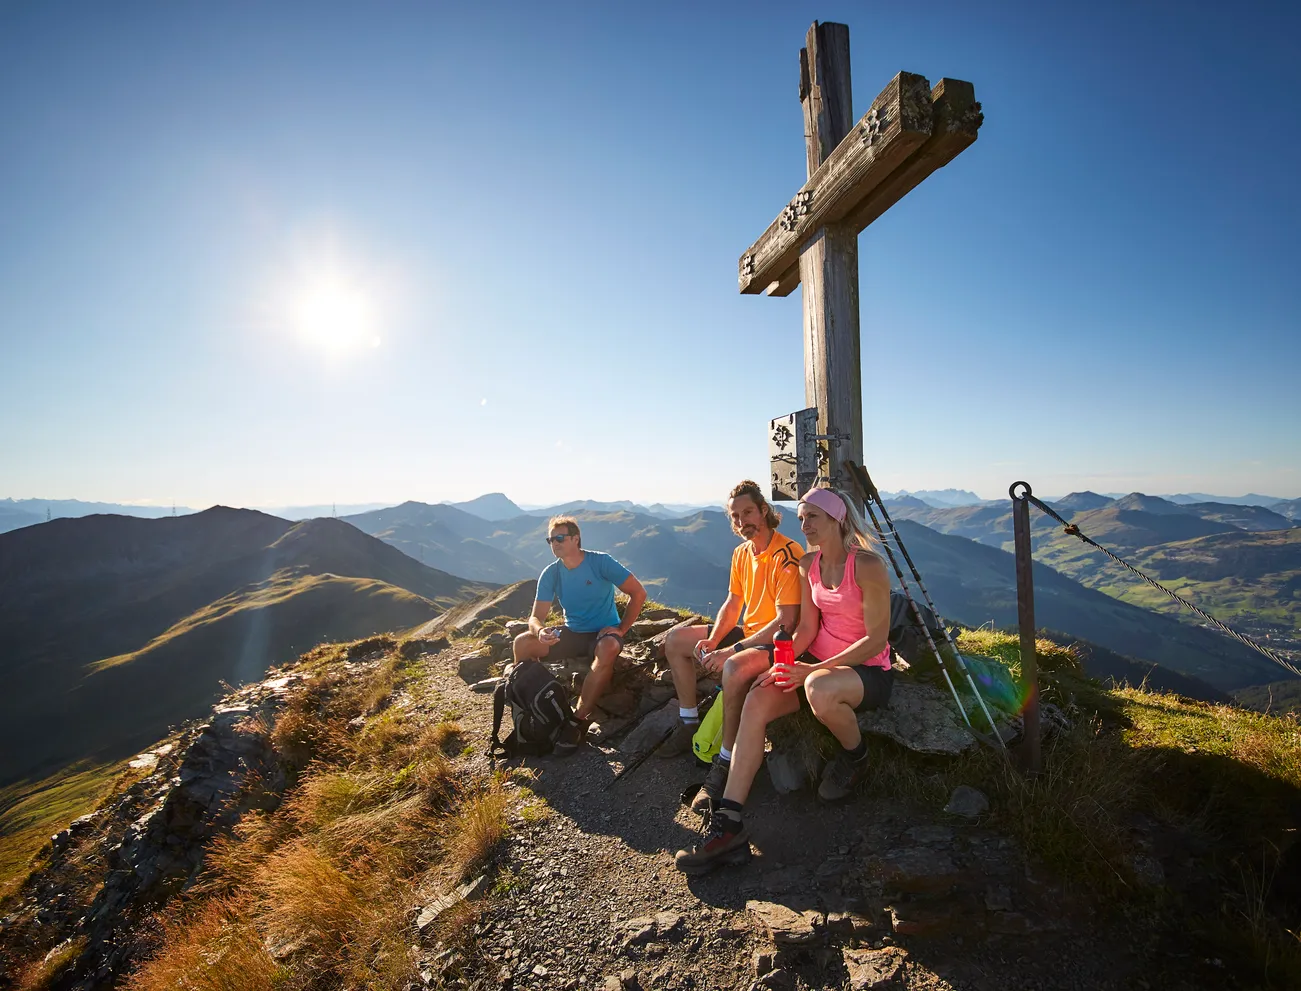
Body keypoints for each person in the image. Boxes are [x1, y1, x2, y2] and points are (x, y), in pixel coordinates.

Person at [674, 486, 894, 874]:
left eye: (813, 517)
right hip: (817, 664)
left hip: (866, 671)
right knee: (758, 699)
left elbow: (875, 639)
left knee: (817, 689)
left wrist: (813, 670)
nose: (804, 524)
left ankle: (856, 758)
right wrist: (786, 662)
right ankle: (729, 826)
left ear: (837, 519)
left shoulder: (868, 566)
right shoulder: (810, 564)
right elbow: (807, 629)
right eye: (802, 517)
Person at [658, 481, 804, 800]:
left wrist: (732, 649)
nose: (742, 521)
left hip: (779, 642)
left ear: (764, 510)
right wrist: (714, 639)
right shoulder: (741, 553)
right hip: (751, 632)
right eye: (735, 516)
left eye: (748, 512)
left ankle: (723, 764)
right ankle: (688, 720)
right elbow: (733, 603)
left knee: (735, 669)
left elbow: (787, 621)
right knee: (675, 641)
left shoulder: (788, 553)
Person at [512, 515, 647, 756]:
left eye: (560, 538)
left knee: (608, 648)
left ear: (576, 539)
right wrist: (540, 631)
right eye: (550, 539)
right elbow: (535, 618)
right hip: (572, 632)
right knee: (522, 643)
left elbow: (638, 593)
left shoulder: (601, 562)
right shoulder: (551, 573)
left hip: (603, 633)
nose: (554, 543)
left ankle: (577, 720)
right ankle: (531, 709)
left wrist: (621, 629)